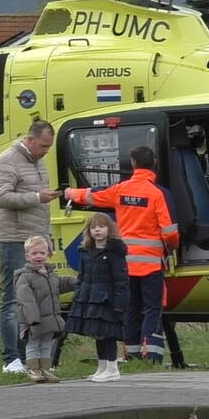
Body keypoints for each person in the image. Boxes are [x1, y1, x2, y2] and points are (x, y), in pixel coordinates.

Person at [65, 146, 179, 363]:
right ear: (153, 163)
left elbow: (92, 197)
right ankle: (151, 356)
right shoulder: (157, 194)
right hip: (151, 265)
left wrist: (70, 193)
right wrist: (170, 248)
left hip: (126, 264)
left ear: (133, 163)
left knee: (131, 309)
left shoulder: (121, 190)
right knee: (152, 309)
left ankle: (132, 353)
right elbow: (170, 233)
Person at [0, 120, 61, 374]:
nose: (46, 151)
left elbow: (42, 205)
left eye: (49, 146)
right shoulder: (6, 160)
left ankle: (29, 358)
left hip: (35, 239)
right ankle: (11, 359)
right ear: (30, 140)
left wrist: (46, 236)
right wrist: (35, 197)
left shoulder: (37, 162)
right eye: (43, 145)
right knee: (13, 300)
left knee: (35, 299)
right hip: (13, 240)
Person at [66, 213, 129, 383]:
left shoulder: (115, 252)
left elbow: (121, 279)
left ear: (109, 228)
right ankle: (102, 367)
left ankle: (112, 368)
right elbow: (81, 276)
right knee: (97, 333)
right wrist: (79, 294)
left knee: (108, 334)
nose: (97, 230)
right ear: (89, 231)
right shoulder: (86, 251)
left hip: (108, 299)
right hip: (90, 297)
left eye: (101, 226)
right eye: (93, 227)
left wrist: (120, 302)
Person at [14, 235, 76, 384]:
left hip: (50, 319)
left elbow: (59, 285)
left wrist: (76, 282)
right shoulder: (25, 277)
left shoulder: (50, 274)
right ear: (27, 256)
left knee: (46, 345)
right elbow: (25, 299)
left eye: (42, 253)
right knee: (33, 345)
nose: (39, 256)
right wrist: (33, 319)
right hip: (33, 320)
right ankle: (34, 370)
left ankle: (45, 369)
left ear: (48, 254)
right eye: (34, 253)